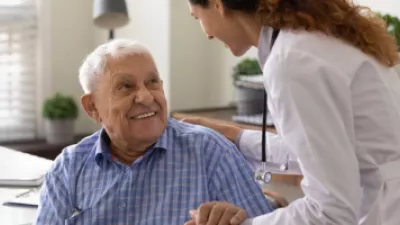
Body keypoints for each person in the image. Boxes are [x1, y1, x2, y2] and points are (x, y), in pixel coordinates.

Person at [184, 0, 400, 225]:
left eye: (197, 17)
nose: (206, 34)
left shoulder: (290, 62)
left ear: (218, 5)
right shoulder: (312, 40)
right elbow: (325, 151)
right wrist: (237, 137)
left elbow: (330, 213)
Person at [34, 39, 275, 225]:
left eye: (152, 82)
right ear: (92, 107)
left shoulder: (210, 153)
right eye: (126, 87)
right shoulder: (68, 168)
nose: (146, 97)